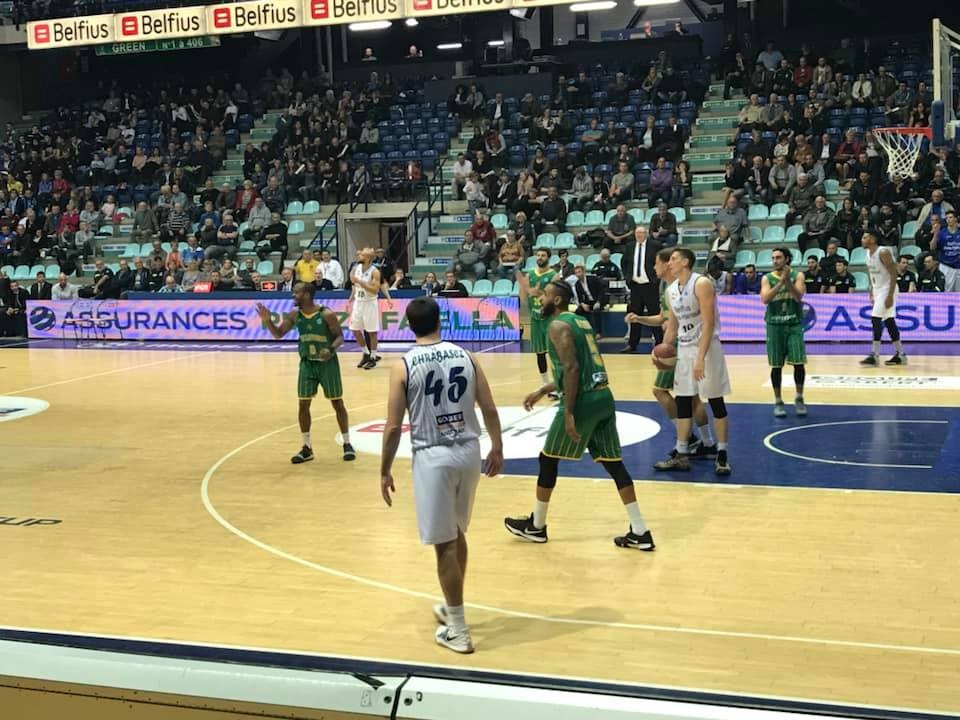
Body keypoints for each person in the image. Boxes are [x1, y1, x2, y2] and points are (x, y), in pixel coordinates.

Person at [380, 297, 503, 654]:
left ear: (408, 324)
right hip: (469, 452)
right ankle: (453, 609)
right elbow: (489, 407)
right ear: (440, 320)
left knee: (445, 544)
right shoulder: (467, 356)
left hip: (433, 455)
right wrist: (497, 447)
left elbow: (392, 427)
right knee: (457, 533)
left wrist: (384, 470)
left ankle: (459, 631)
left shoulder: (403, 366)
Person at [504, 281, 655, 551]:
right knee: (613, 464)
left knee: (548, 459)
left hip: (583, 400)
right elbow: (579, 367)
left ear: (557, 300)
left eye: (545, 295)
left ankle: (537, 526)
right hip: (603, 396)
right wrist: (544, 389)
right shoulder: (580, 322)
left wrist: (570, 412)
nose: (540, 299)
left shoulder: (557, 325)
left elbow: (572, 368)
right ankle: (640, 530)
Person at [626, 248, 716, 462]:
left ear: (667, 264)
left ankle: (687, 438)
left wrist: (663, 348)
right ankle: (708, 442)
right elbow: (663, 318)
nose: (654, 267)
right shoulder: (669, 288)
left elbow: (673, 325)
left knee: (660, 390)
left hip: (680, 344)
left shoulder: (679, 287)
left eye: (657, 263)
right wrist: (640, 318)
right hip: (685, 342)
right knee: (692, 397)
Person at [256, 282, 356, 464]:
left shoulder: (326, 314)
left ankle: (347, 443)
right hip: (307, 363)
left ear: (307, 295)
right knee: (303, 404)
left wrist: (330, 350)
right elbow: (278, 334)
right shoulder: (295, 314)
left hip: (327, 364)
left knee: (337, 403)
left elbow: (340, 337)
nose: (293, 295)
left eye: (297, 292)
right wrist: (268, 320)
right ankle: (306, 447)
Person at [654, 248, 732, 475]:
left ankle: (722, 454)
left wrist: (700, 358)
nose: (669, 262)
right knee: (683, 401)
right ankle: (682, 454)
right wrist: (661, 352)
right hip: (685, 349)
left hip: (707, 349)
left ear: (686, 262)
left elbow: (708, 323)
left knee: (715, 401)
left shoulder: (701, 284)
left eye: (674, 259)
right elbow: (673, 326)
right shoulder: (670, 290)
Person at [761, 248, 807, 417]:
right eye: (773, 258)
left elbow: (798, 297)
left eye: (779, 257)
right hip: (774, 325)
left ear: (787, 259)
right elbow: (765, 299)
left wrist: (787, 281)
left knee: (799, 363)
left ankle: (799, 398)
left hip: (793, 323)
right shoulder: (767, 278)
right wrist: (781, 282)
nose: (775, 260)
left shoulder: (798, 275)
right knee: (776, 365)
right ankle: (778, 401)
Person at [516, 248, 558, 396]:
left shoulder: (554, 276)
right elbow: (523, 296)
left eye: (543, 255)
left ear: (548, 258)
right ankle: (545, 384)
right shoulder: (530, 275)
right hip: (535, 320)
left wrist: (540, 294)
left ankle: (558, 384)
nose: (540, 257)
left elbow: (555, 298)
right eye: (538, 255)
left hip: (550, 319)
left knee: (555, 353)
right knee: (540, 354)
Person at [860, 230, 906, 367]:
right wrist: (871, 290)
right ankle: (901, 354)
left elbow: (894, 274)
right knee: (889, 321)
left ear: (873, 239)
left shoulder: (883, 252)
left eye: (865, 237)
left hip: (887, 288)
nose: (862, 240)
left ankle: (874, 355)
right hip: (878, 289)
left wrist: (890, 295)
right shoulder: (867, 254)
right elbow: (872, 274)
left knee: (875, 318)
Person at [347, 247, 391, 370]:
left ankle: (373, 357)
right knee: (355, 330)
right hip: (358, 302)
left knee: (372, 332)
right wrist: (351, 298)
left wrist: (361, 282)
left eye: (362, 255)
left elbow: (375, 290)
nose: (359, 256)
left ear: (368, 258)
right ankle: (366, 353)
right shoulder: (356, 268)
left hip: (369, 303)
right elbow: (353, 283)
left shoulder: (375, 271)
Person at [620, 226, 662, 352]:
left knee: (654, 313)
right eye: (637, 233)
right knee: (634, 315)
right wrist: (628, 277)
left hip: (650, 285)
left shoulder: (655, 245)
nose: (639, 235)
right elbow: (624, 262)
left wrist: (656, 278)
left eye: (641, 233)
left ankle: (660, 343)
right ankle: (632, 344)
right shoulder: (630, 246)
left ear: (646, 234)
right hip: (635, 286)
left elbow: (661, 262)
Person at [933, 210, 960, 292]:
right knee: (946, 291)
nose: (948, 220)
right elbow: (932, 247)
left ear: (956, 219)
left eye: (950, 217)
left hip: (958, 265)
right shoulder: (942, 233)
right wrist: (935, 234)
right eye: (947, 218)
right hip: (946, 265)